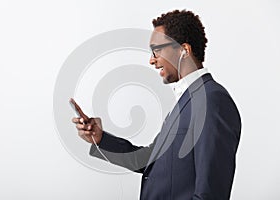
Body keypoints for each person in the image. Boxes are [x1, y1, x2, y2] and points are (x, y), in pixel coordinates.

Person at [72, 9, 241, 200]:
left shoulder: (212, 101)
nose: (151, 60)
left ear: (184, 50)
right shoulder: (187, 101)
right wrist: (100, 138)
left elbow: (211, 195)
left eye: (157, 50)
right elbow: (147, 160)